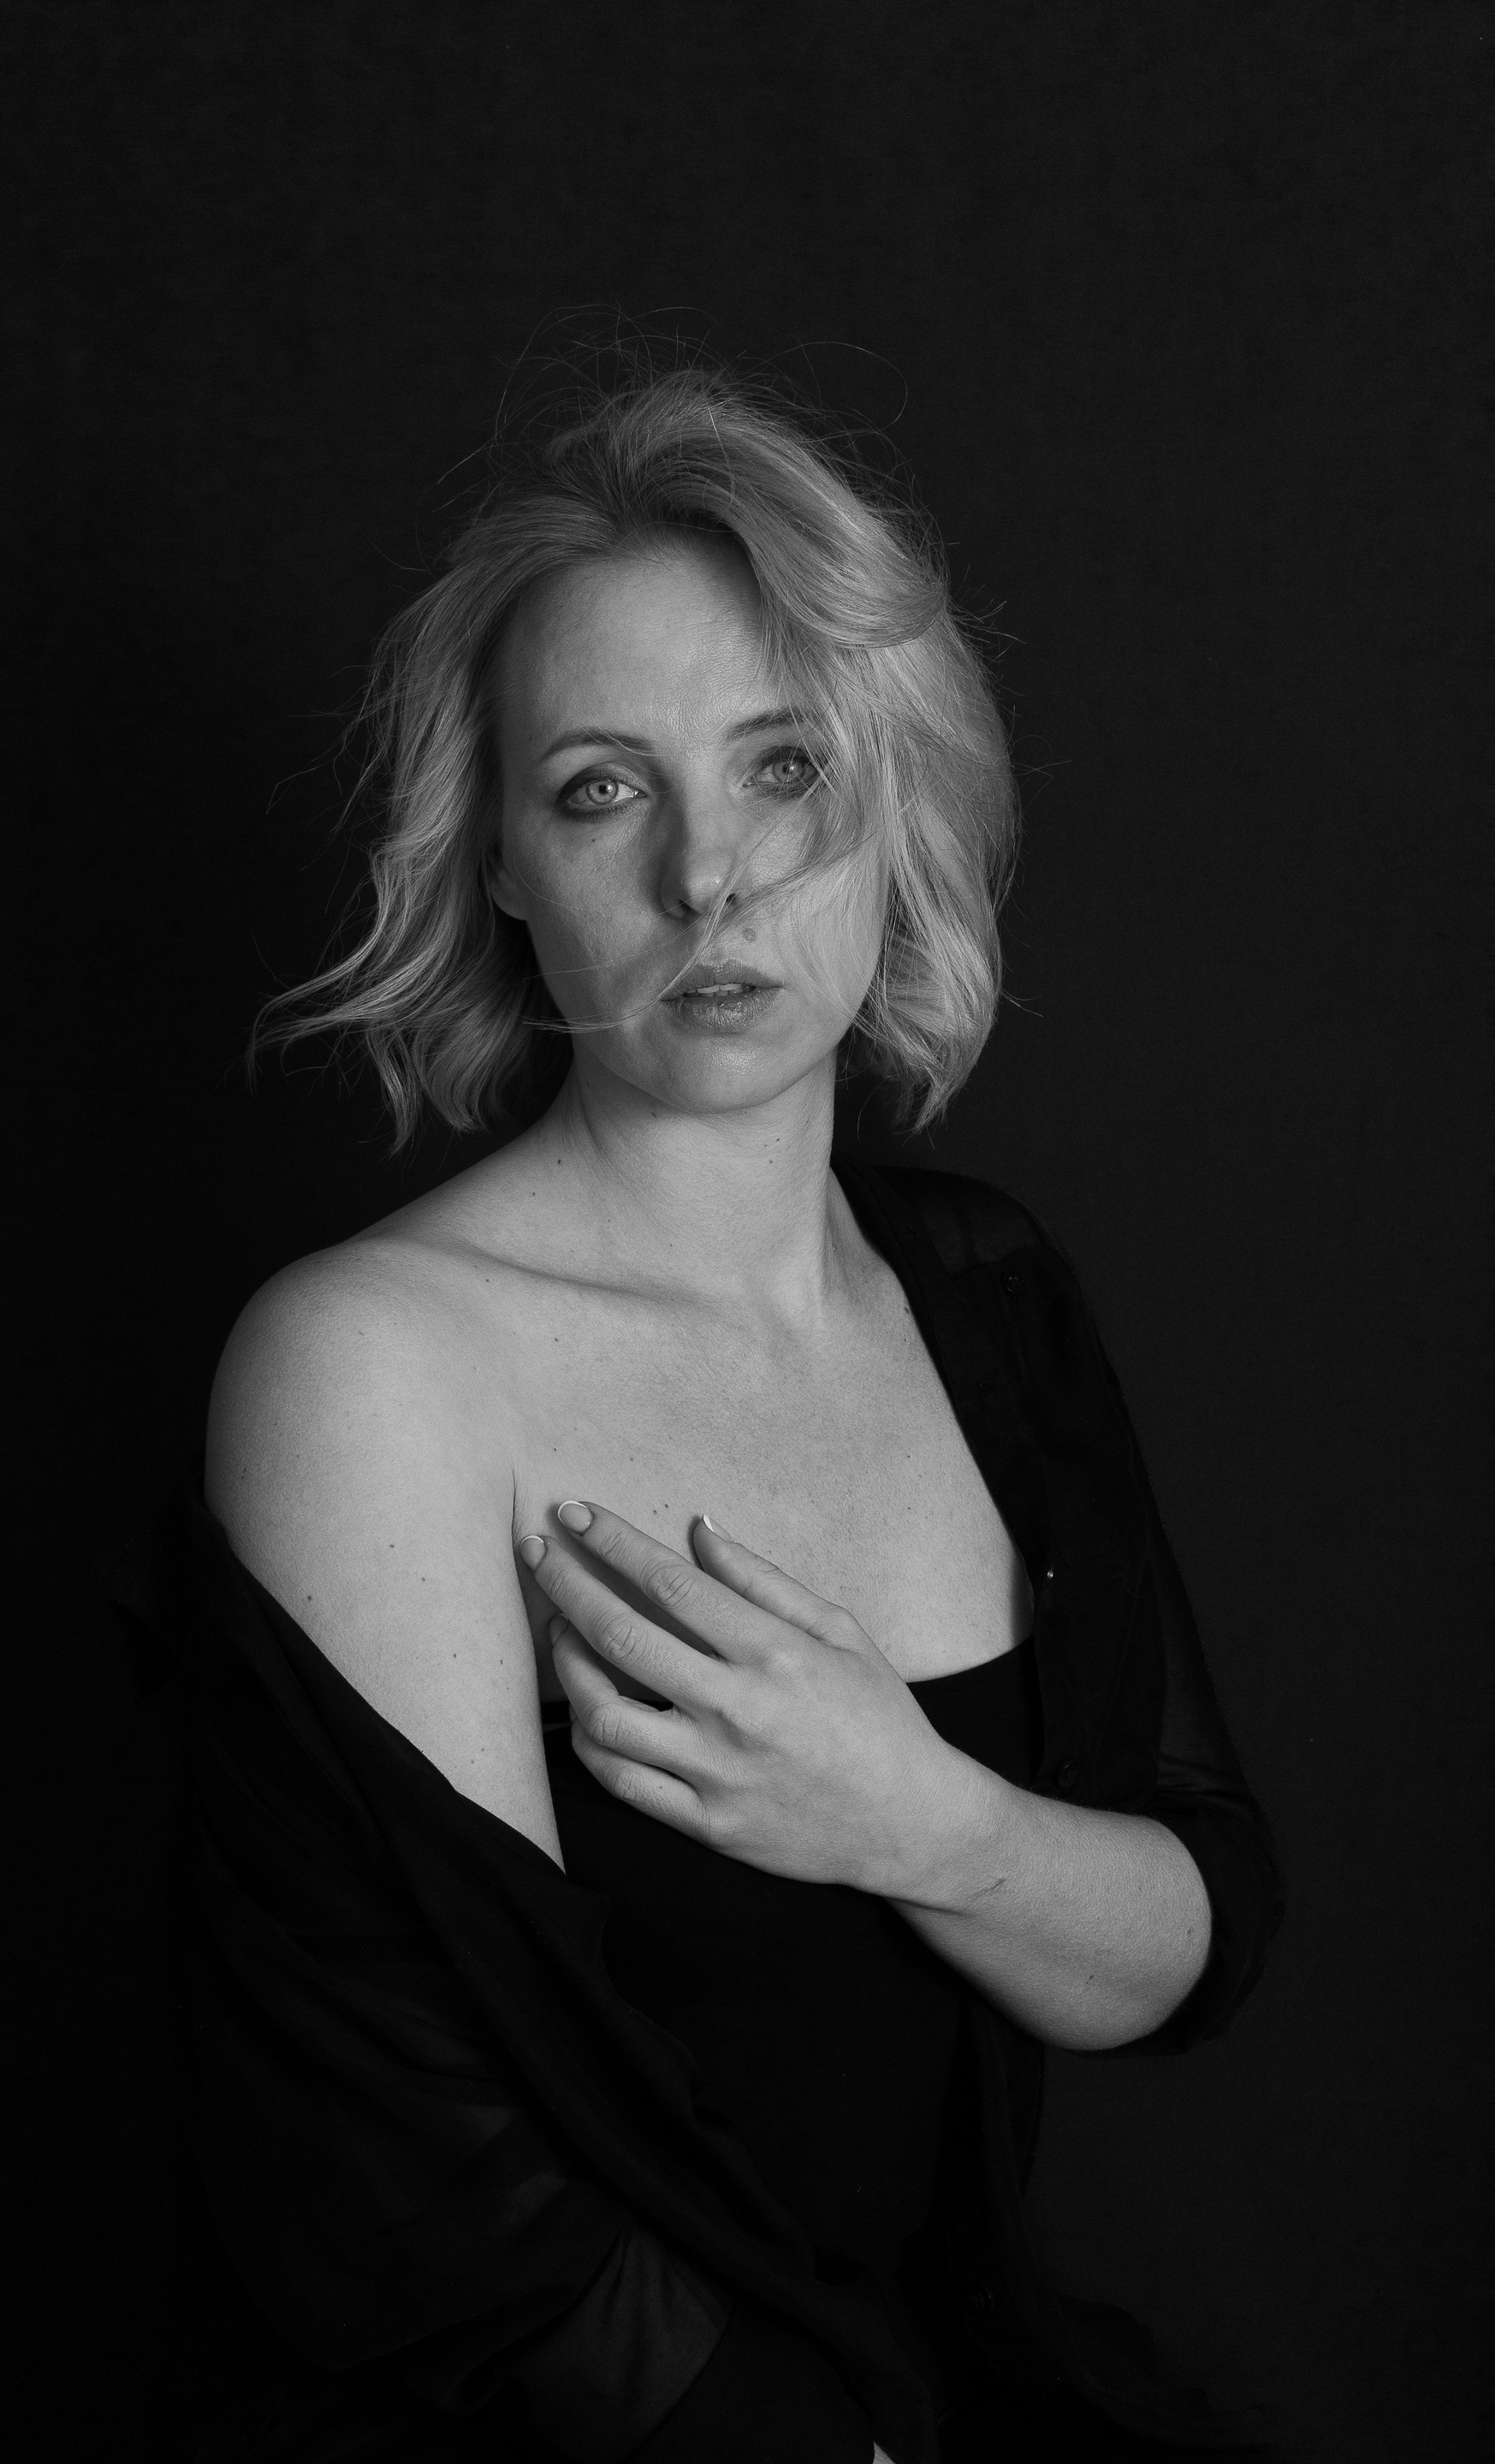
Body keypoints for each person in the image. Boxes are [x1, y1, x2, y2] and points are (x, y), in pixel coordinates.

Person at [116, 360, 1282, 2462]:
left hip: (973, 2391)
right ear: (498, 861)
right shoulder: (372, 1364)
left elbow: (1186, 1944)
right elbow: (437, 2220)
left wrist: (910, 1816)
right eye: (601, 790)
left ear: (895, 810)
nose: (711, 879)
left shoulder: (984, 1289)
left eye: (783, 767)